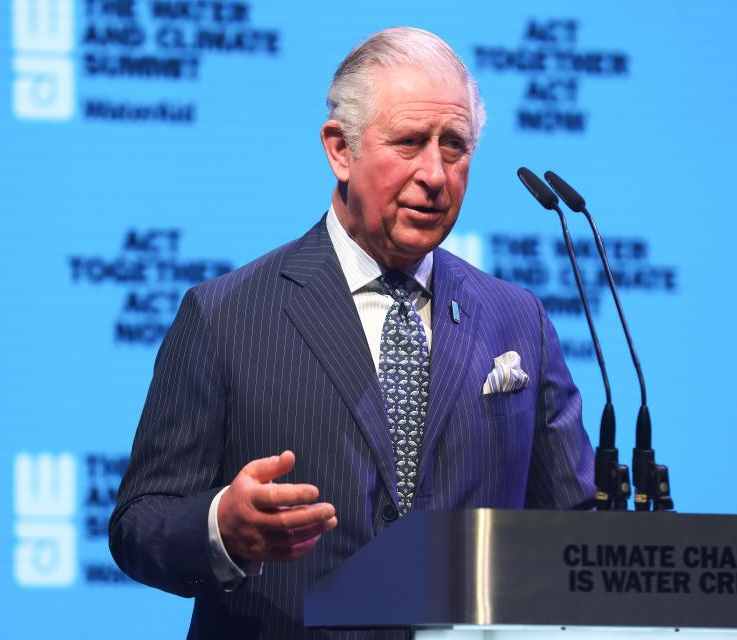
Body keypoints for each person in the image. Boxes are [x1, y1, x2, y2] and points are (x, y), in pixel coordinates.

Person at [109, 26, 595, 640]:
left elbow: (574, 531)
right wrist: (221, 530)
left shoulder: (517, 319)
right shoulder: (225, 315)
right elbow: (138, 523)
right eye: (410, 142)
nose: (436, 174)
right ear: (340, 150)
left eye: (454, 145)